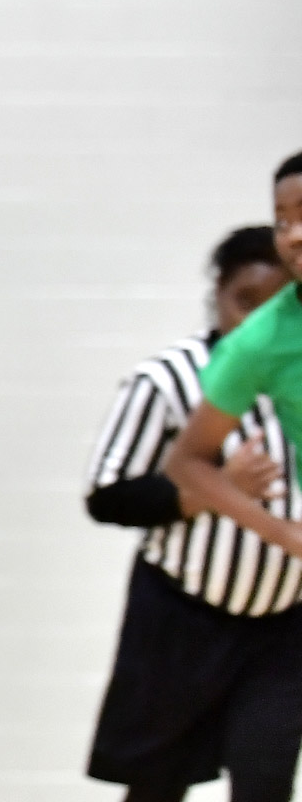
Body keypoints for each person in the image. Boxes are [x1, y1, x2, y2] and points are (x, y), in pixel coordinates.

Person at [83, 224, 299, 802]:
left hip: (282, 626)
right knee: (156, 785)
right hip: (182, 616)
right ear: (217, 297)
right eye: (242, 301)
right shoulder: (169, 379)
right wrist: (213, 488)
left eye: (272, 303)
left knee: (265, 783)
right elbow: (107, 496)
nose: (255, 319)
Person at [152, 154, 302, 802]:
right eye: (282, 219)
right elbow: (186, 462)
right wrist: (285, 535)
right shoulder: (261, 342)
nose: (293, 233)